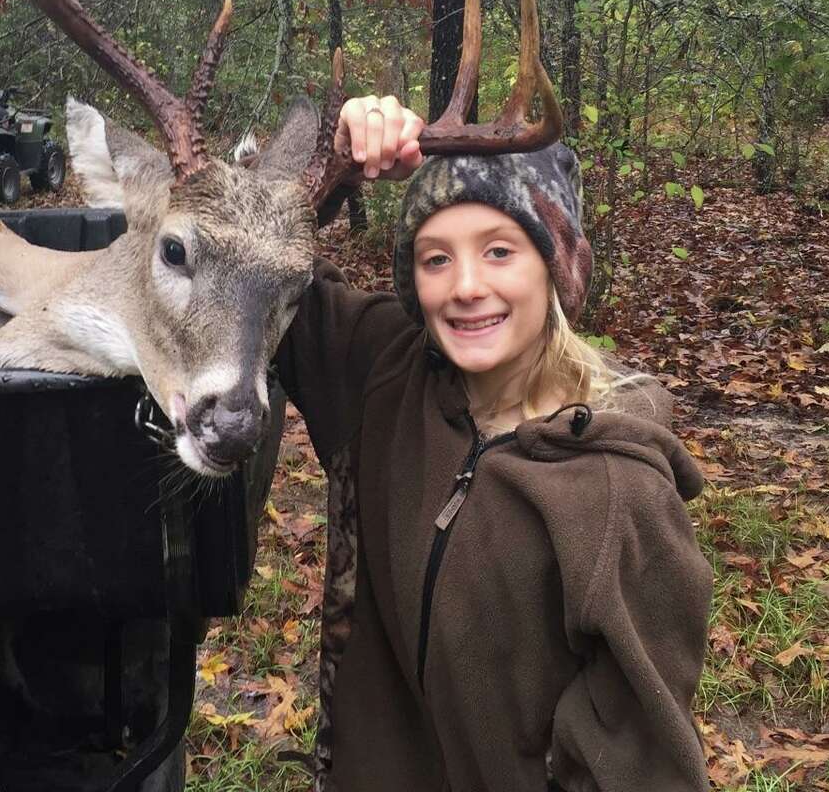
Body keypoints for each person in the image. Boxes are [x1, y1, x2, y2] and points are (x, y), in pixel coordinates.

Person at [274, 95, 713, 792]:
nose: (467, 287)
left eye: (500, 250)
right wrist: (331, 162)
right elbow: (254, 277)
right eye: (435, 258)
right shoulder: (384, 373)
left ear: (557, 266)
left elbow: (642, 763)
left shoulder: (618, 494)